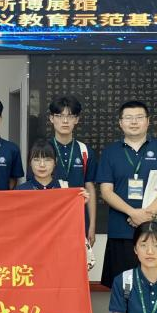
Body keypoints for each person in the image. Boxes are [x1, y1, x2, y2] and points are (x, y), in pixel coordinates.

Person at [95, 100, 157, 288]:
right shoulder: (110, 152)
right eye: (128, 118)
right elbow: (106, 191)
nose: (134, 122)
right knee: (123, 288)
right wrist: (133, 213)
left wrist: (146, 215)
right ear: (120, 122)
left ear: (148, 121)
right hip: (121, 231)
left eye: (139, 117)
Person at [45, 95, 97, 246]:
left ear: (77, 119)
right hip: (50, 219)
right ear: (51, 118)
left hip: (79, 218)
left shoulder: (85, 151)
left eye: (70, 116)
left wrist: (92, 225)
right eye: (60, 116)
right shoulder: (43, 149)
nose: (65, 121)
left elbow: (90, 187)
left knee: (78, 259)